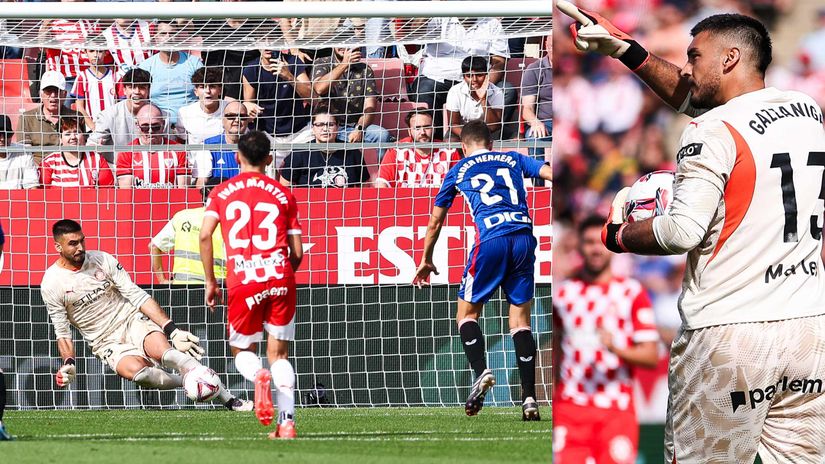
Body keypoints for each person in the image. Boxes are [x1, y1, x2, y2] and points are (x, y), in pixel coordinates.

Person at [558, 2, 825, 461]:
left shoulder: (711, 131)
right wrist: (627, 49)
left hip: (729, 336)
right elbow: (694, 96)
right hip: (809, 331)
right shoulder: (807, 112)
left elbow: (682, 231)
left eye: (694, 56)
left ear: (729, 59)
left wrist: (618, 235)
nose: (686, 66)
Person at [412, 120, 552, 420]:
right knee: (520, 321)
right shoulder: (512, 158)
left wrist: (425, 259)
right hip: (524, 238)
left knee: (466, 315)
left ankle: (481, 372)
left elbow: (435, 221)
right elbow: (549, 173)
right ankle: (529, 399)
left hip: (490, 240)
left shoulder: (458, 169)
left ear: (464, 146)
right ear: (490, 142)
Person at [40, 219, 252, 411]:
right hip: (105, 341)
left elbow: (137, 295)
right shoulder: (52, 283)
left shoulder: (101, 260)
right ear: (58, 246)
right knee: (140, 374)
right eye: (73, 243)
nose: (80, 248)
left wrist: (173, 330)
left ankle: (229, 400)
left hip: (132, 321)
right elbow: (62, 331)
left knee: (166, 354)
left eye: (82, 241)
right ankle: (193, 380)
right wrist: (69, 362)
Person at [199, 130, 304, 439]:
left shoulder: (221, 192)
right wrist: (283, 271)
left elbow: (205, 235)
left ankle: (257, 374)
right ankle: (286, 424)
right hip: (280, 274)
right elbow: (296, 251)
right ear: (270, 159)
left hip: (243, 278)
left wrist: (210, 281)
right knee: (280, 356)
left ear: (237, 157)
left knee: (243, 350)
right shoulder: (284, 194)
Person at [552, 215, 659, 464]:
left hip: (615, 409)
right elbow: (555, 351)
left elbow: (651, 356)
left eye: (600, 242)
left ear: (611, 247)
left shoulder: (631, 293)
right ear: (579, 246)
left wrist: (615, 347)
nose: (595, 249)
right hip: (570, 407)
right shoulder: (563, 294)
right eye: (588, 242)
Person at [311, 46, 393, 158]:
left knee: (382, 135)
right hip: (327, 126)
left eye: (349, 43)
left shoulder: (365, 69)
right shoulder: (322, 62)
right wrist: (344, 64)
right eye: (340, 43)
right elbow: (320, 88)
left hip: (353, 127)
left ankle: (377, 174)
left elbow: (370, 106)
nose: (344, 47)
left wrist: (359, 128)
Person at [242, 49, 313, 169]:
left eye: (273, 40)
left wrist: (289, 77)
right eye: (263, 39)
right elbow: (248, 104)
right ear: (257, 44)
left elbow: (312, 98)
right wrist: (247, 106)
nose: (268, 45)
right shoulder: (251, 69)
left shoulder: (293, 62)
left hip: (299, 133)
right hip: (267, 135)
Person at [150, 185, 226, 285]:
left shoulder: (182, 216)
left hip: (182, 285)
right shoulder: (229, 222)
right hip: (218, 287)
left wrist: (162, 280)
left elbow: (154, 246)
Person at [280, 107, 368, 187]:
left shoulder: (352, 152)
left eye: (330, 124)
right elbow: (285, 184)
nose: (325, 129)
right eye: (320, 125)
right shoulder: (299, 153)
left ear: (337, 127)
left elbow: (365, 185)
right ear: (313, 128)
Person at [137, 20, 202, 126]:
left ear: (179, 37)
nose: (169, 37)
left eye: (172, 33)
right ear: (156, 38)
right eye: (163, 34)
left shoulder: (194, 63)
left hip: (192, 123)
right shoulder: (146, 67)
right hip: (157, 126)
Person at [375, 109, 461, 188]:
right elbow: (382, 183)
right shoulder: (396, 150)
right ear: (409, 131)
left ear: (434, 129)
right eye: (417, 128)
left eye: (427, 127)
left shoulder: (449, 151)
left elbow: (460, 184)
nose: (422, 132)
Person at [87, 68, 152, 163]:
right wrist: (96, 147)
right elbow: (92, 144)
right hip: (116, 168)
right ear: (124, 90)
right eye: (132, 87)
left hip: (150, 167)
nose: (137, 91)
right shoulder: (108, 115)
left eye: (142, 87)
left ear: (148, 90)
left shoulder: (159, 115)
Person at [116, 104, 189, 189]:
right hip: (138, 202)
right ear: (137, 125)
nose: (150, 131)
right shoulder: (126, 153)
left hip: (169, 201)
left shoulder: (178, 150)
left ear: (163, 124)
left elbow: (183, 192)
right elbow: (126, 194)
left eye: (155, 127)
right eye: (145, 127)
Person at [16, 70, 79, 163]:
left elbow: (81, 149)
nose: (53, 96)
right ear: (41, 94)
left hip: (69, 168)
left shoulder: (76, 117)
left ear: (64, 94)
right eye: (48, 91)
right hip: (38, 169)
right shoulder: (26, 118)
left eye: (57, 91)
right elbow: (25, 155)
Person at [41, 115, 114, 188]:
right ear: (60, 139)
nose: (73, 137)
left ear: (84, 135)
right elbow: (40, 195)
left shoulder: (97, 159)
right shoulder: (49, 162)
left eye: (77, 132)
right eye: (67, 134)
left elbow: (108, 192)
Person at [190, 101, 250, 186]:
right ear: (223, 120)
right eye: (231, 116)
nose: (237, 120)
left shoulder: (255, 147)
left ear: (247, 120)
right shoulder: (208, 146)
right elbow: (201, 183)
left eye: (242, 116)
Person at [444, 56, 504, 141]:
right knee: (450, 141)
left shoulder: (497, 92)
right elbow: (453, 124)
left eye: (479, 75)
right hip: (463, 131)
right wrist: (469, 138)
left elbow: (494, 126)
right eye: (469, 76)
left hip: (488, 132)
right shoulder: (455, 91)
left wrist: (483, 99)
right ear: (464, 77)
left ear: (486, 75)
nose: (474, 79)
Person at [520, 34, 553, 163]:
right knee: (534, 137)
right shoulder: (534, 70)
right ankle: (537, 182)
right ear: (546, 45)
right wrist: (535, 122)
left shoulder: (573, 66)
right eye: (552, 46)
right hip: (546, 123)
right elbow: (527, 108)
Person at [72, 48, 121, 131]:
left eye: (100, 51)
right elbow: (79, 106)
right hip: (92, 130)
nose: (95, 55)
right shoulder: (82, 77)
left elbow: (122, 104)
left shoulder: (116, 76)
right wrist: (92, 126)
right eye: (91, 51)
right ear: (85, 53)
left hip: (113, 128)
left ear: (106, 53)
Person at [176, 67, 227, 145]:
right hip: (196, 157)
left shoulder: (230, 109)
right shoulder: (184, 113)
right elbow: (181, 141)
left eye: (212, 86)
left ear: (220, 90)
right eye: (202, 87)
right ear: (196, 92)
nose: (207, 91)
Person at [0, 115, 38, 189]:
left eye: (6, 134)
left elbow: (32, 187)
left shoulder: (23, 152)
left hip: (17, 199)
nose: (2, 139)